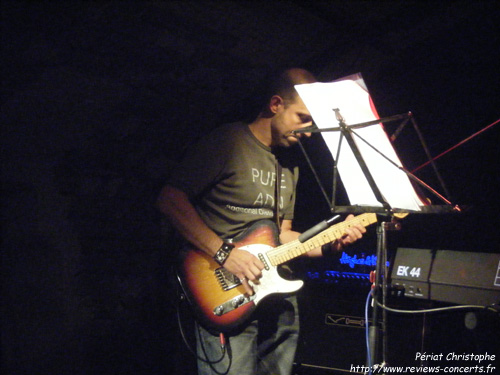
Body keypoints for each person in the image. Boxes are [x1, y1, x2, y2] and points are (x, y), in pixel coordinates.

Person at [157, 68, 366, 375]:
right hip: (224, 287)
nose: (308, 132)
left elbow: (280, 235)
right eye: (303, 118)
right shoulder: (228, 141)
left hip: (272, 290)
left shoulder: (290, 163)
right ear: (276, 104)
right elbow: (170, 200)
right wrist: (225, 254)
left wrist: (329, 245)